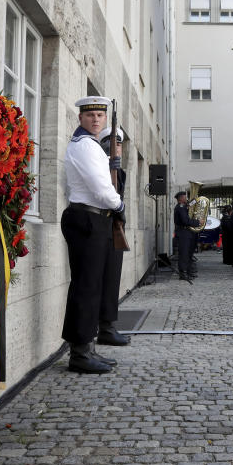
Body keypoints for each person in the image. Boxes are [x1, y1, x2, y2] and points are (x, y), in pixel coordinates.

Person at [61, 97, 125, 375]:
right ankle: (79, 353)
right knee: (86, 287)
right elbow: (101, 189)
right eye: (91, 116)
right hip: (88, 218)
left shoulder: (87, 144)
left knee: (90, 286)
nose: (96, 120)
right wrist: (119, 204)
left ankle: (87, 347)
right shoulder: (86, 146)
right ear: (80, 118)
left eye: (100, 115)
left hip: (91, 218)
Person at [96, 126, 130, 346]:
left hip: (114, 228)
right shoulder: (98, 166)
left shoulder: (121, 171)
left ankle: (108, 326)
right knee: (95, 282)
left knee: (112, 280)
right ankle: (98, 328)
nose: (116, 148)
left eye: (119, 144)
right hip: (97, 226)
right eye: (111, 143)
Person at [173, 191, 199, 280]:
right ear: (180, 198)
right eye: (184, 197)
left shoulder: (184, 206)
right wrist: (198, 222)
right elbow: (186, 221)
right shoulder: (180, 208)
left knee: (188, 253)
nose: (186, 198)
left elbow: (190, 205)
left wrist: (196, 200)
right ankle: (183, 274)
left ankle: (187, 271)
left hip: (187, 233)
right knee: (184, 254)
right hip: (183, 233)